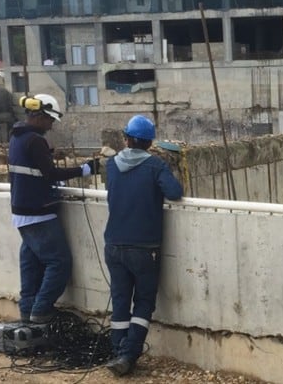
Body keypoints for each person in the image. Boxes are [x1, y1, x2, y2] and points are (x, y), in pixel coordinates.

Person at [8, 93, 101, 324]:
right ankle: (41, 311)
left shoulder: (17, 137)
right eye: (50, 120)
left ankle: (27, 314)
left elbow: (36, 172)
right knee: (59, 262)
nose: (51, 126)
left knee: (31, 265)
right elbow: (50, 173)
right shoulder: (35, 140)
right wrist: (85, 169)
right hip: (38, 213)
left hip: (22, 212)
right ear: (39, 116)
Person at [103, 115, 183, 376]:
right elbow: (175, 192)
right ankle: (128, 355)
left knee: (120, 300)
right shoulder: (155, 165)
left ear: (126, 139)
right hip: (144, 247)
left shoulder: (111, 165)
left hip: (114, 244)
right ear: (149, 143)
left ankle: (118, 351)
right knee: (144, 302)